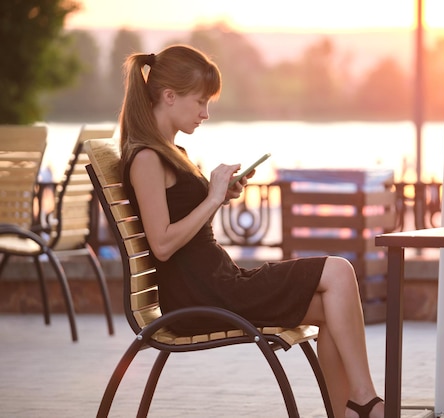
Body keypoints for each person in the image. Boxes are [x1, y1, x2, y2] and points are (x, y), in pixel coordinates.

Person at [118, 44, 384, 418]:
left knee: (332, 309)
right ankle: (366, 401)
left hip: (217, 284)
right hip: (205, 296)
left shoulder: (167, 150)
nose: (205, 113)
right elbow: (162, 245)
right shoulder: (147, 158)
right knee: (339, 269)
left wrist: (219, 197)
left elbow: (182, 229)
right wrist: (211, 199)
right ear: (168, 96)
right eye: (200, 102)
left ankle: (352, 410)